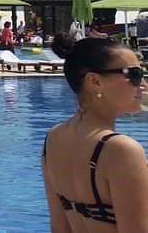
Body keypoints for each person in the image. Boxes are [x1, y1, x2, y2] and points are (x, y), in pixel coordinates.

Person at [42, 34, 148, 230]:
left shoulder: (53, 138)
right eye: (134, 75)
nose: (143, 84)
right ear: (95, 81)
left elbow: (59, 227)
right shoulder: (121, 150)